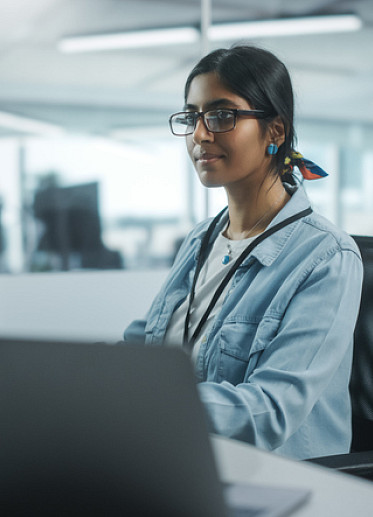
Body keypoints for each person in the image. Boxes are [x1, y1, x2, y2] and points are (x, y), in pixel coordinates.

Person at [123, 45, 363, 460]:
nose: (200, 134)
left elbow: (270, 409)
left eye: (221, 115)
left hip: (280, 481)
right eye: (192, 117)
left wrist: (150, 406)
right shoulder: (202, 240)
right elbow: (143, 349)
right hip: (186, 460)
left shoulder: (328, 257)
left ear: (275, 131)